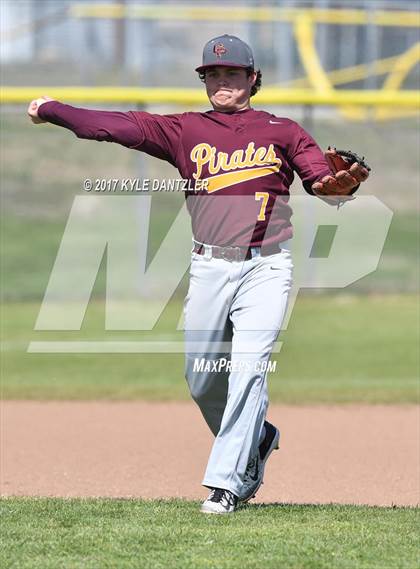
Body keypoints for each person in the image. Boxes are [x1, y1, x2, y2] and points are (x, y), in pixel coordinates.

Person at [28, 34, 369, 514]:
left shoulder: (283, 131)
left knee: (250, 370)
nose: (221, 81)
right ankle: (259, 438)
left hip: (266, 267)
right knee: (203, 380)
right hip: (209, 266)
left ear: (253, 79)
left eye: (231, 74)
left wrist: (335, 186)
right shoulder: (184, 129)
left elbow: (322, 181)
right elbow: (113, 126)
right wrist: (55, 109)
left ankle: (227, 484)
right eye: (212, 74)